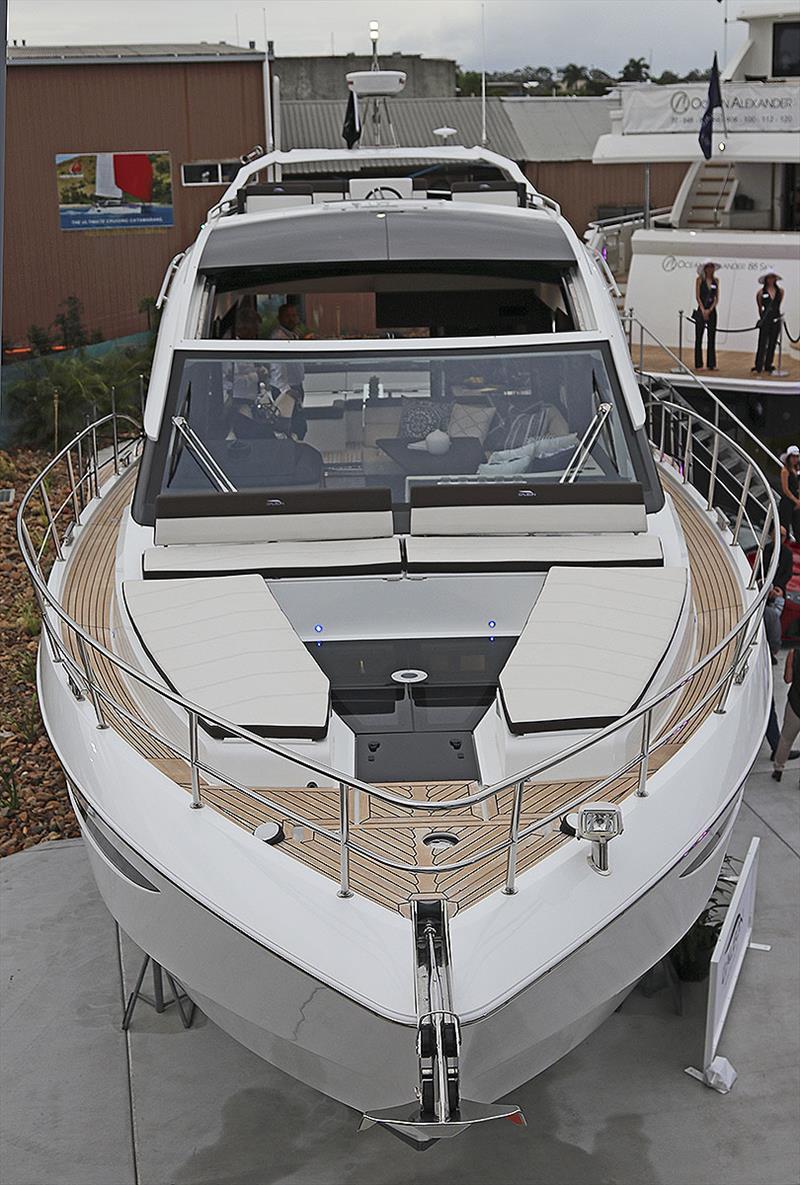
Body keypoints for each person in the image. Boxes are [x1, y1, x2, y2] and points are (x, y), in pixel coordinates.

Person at [269, 303, 308, 440]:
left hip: (296, 387)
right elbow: (277, 367)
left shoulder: (293, 335)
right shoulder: (279, 338)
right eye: (287, 316)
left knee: (298, 428)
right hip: (285, 390)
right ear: (280, 318)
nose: (292, 319)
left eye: (294, 315)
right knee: (290, 429)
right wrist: (286, 390)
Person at [764, 525, 793, 661]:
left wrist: (778, 588)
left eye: (783, 536)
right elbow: (761, 569)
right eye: (778, 535)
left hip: (778, 590)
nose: (780, 538)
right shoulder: (765, 550)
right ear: (771, 534)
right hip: (764, 588)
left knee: (774, 618)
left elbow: (787, 573)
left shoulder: (787, 553)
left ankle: (771, 648)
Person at [772, 647, 800, 782]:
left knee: (786, 739)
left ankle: (778, 769)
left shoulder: (794, 653)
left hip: (795, 704)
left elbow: (788, 679)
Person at [752, 271, 784, 374]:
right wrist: (762, 318)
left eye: (772, 278)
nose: (771, 280)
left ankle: (768, 364)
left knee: (772, 343)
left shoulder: (780, 291)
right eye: (769, 278)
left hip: (776, 320)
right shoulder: (761, 292)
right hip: (766, 320)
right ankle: (758, 365)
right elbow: (759, 307)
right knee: (762, 343)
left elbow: (778, 305)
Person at [694, 262, 719, 371]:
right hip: (701, 310)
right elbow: (698, 296)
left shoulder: (716, 281)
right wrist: (703, 310)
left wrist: (710, 309)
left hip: (712, 311)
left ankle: (711, 364)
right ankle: (699, 364)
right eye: (708, 267)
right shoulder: (699, 280)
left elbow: (716, 298)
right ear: (705, 269)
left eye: (712, 268)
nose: (710, 269)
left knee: (711, 337)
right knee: (699, 337)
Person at [778, 445, 800, 542]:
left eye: (797, 457)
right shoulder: (785, 471)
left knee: (797, 525)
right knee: (785, 526)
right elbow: (785, 489)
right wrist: (796, 501)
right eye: (793, 456)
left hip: (796, 499)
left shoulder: (796, 470)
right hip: (788, 501)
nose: (795, 459)